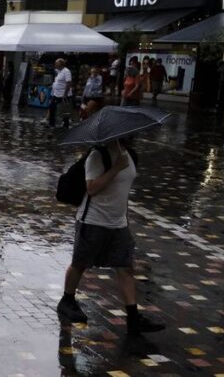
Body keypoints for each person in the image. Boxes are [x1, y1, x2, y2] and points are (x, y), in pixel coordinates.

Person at [56, 139, 165, 336]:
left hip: (118, 223)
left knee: (125, 267)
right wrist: (115, 168)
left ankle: (133, 318)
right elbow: (92, 188)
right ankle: (67, 300)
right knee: (80, 263)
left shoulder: (129, 154)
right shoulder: (97, 155)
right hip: (93, 220)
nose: (133, 134)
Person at [47, 58, 73, 128]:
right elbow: (58, 82)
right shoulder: (59, 71)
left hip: (64, 95)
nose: (55, 65)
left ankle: (66, 125)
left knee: (64, 110)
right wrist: (53, 86)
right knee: (52, 107)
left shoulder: (66, 71)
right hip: (56, 94)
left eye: (56, 63)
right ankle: (51, 124)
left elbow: (69, 83)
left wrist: (65, 94)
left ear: (61, 64)